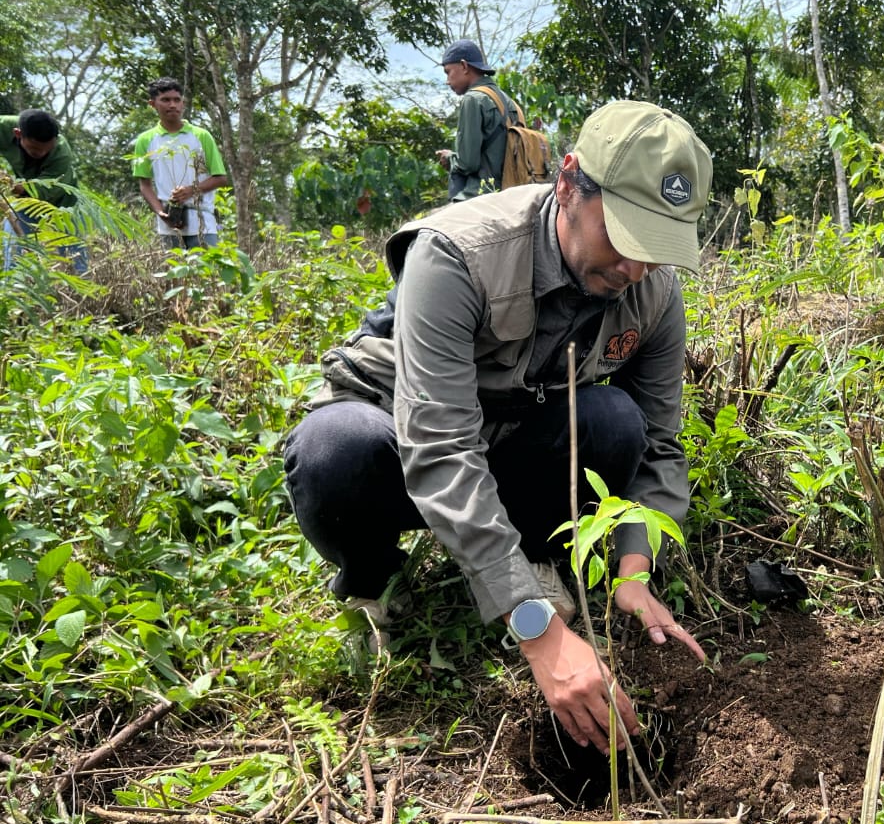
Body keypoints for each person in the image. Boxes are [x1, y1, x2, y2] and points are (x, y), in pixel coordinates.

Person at [285, 100, 713, 754]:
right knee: (332, 452)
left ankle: (528, 559)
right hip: (402, 430)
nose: (636, 267)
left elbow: (657, 440)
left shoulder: (652, 293)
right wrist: (539, 632)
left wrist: (633, 570)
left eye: (659, 248)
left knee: (615, 422)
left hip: (512, 429)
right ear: (568, 182)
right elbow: (440, 443)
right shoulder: (457, 253)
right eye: (625, 235)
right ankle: (377, 585)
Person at [131, 78, 229, 249]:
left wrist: (191, 190)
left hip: (203, 223)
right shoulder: (145, 140)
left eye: (177, 100)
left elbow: (220, 178)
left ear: (183, 103)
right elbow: (144, 184)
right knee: (173, 275)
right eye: (165, 100)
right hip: (169, 226)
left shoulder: (201, 136)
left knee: (207, 274)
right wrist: (160, 212)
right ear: (153, 104)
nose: (172, 105)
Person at [1, 109, 88, 273]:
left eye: (47, 149)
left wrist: (14, 187)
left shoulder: (61, 153)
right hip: (24, 205)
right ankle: (14, 293)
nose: (42, 153)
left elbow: (45, 190)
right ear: (18, 134)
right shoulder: (3, 127)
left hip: (65, 205)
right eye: (35, 149)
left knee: (76, 262)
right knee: (15, 254)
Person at [433, 39, 516, 201]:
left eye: (448, 72)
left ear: (464, 66)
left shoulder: (473, 99)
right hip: (510, 193)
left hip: (480, 195)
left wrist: (449, 158)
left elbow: (467, 163)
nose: (447, 81)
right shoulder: (507, 100)